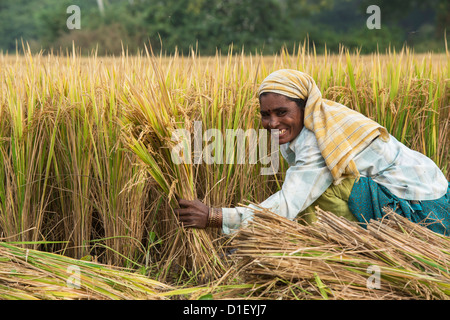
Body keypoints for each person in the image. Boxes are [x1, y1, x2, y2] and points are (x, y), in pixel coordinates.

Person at [175, 69, 450, 236]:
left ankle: (343, 251)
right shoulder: (319, 120)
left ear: (305, 106)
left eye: (282, 112)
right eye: (265, 114)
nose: (272, 123)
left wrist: (215, 216)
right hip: (431, 199)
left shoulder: (319, 140)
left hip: (426, 215)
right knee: (312, 190)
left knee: (319, 194)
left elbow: (287, 205)